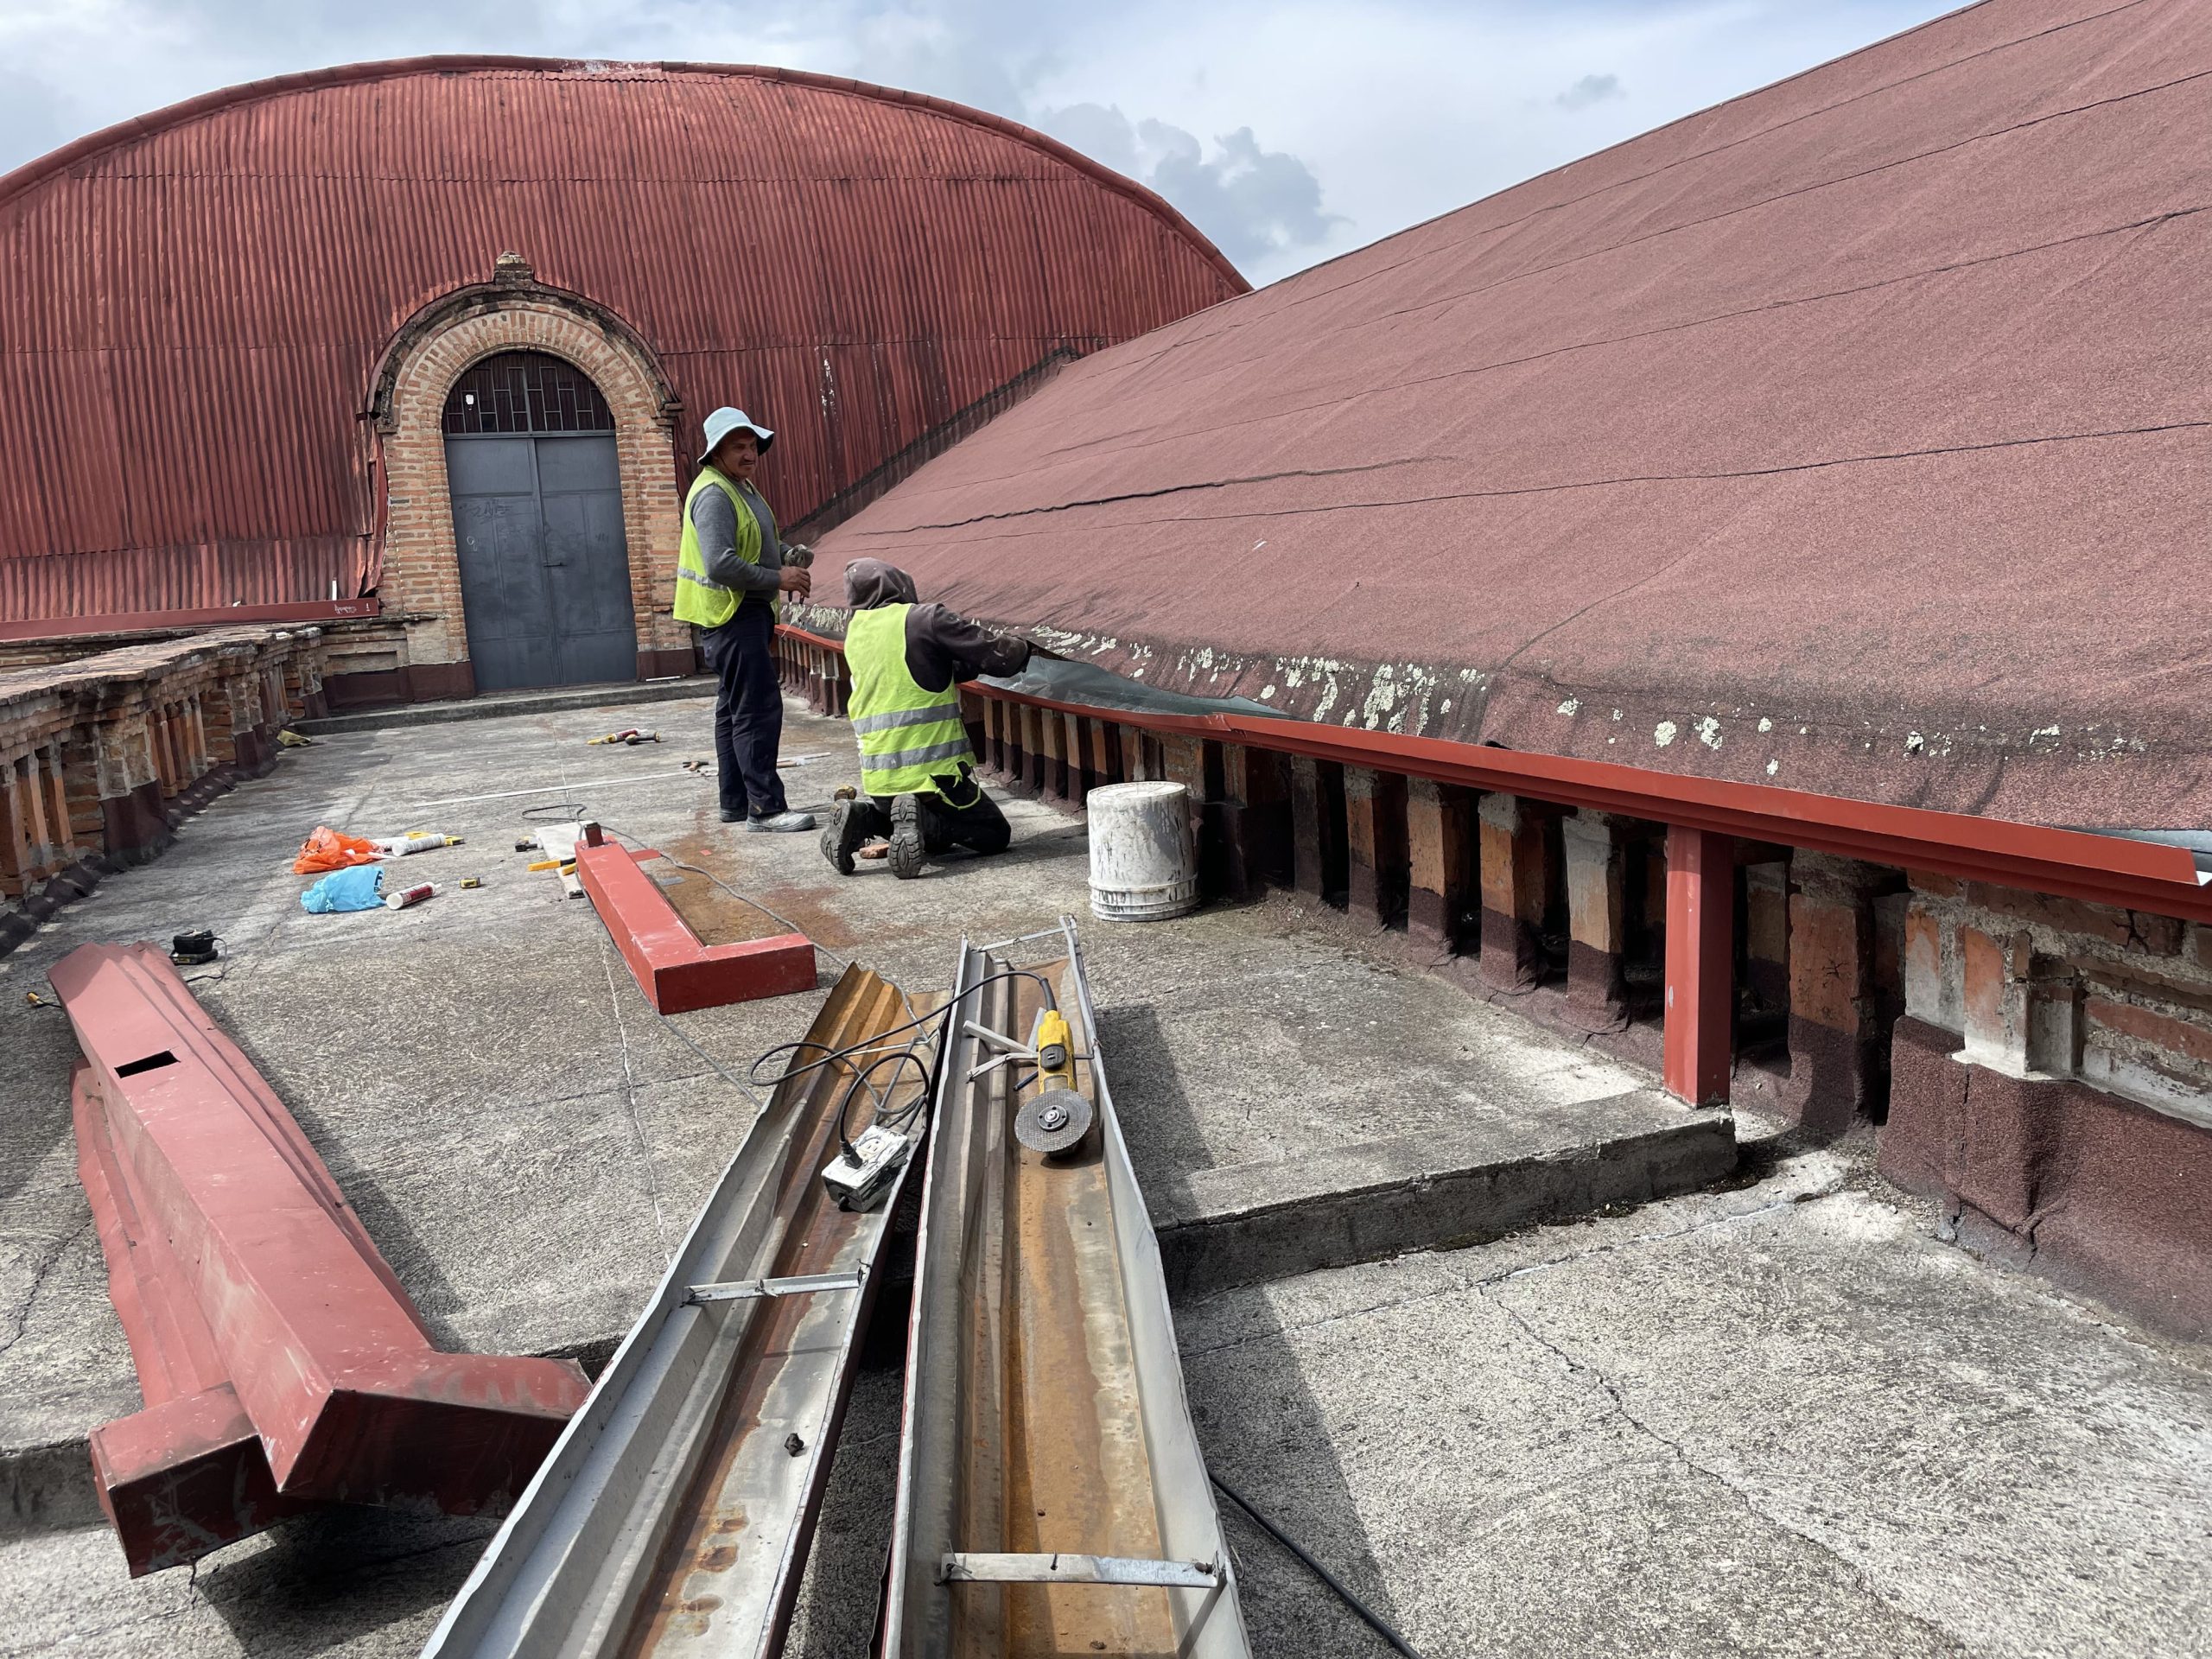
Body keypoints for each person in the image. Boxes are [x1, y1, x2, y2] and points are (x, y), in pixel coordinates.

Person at [823, 559, 1031, 879]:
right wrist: (1026, 646)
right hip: (936, 778)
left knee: (909, 827)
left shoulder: (857, 632)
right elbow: (1000, 657)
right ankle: (921, 817)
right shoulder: (924, 619)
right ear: (899, 585)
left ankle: (863, 816)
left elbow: (931, 670)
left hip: (881, 782)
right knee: (993, 834)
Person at [674, 407, 817, 831]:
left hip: (738, 615)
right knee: (757, 710)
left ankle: (735, 803)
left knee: (733, 709)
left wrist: (786, 555)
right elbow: (720, 563)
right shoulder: (716, 494)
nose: (749, 453)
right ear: (716, 451)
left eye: (753, 445)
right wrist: (778, 576)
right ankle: (766, 808)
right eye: (738, 446)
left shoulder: (739, 487)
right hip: (732, 616)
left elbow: (755, 541)